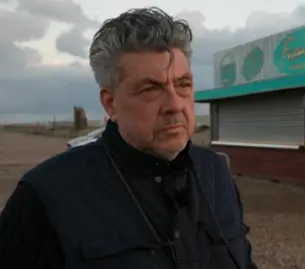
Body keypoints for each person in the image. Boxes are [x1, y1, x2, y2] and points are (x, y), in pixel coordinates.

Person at [0, 7, 256, 269]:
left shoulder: (215, 172)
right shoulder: (47, 195)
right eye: (150, 89)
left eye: (182, 84)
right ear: (110, 104)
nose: (174, 105)